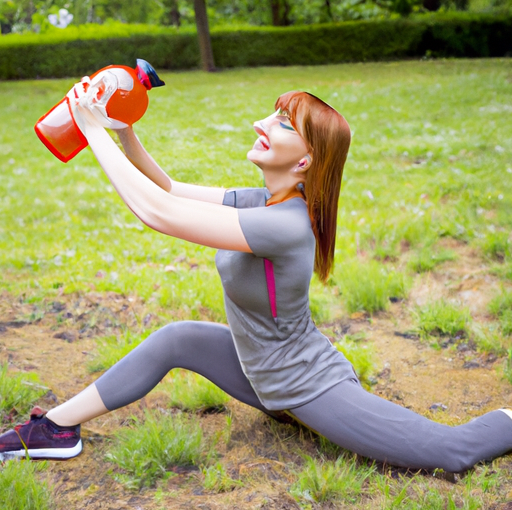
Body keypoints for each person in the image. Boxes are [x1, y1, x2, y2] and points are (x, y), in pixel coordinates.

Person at [1, 88, 512, 473]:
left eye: (283, 122)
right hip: (259, 370)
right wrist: (122, 131)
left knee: (451, 452)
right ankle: (55, 429)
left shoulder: (285, 226)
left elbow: (156, 213)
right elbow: (169, 189)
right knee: (178, 338)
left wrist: (88, 130)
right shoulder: (262, 201)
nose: (261, 122)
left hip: (308, 385)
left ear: (306, 160)